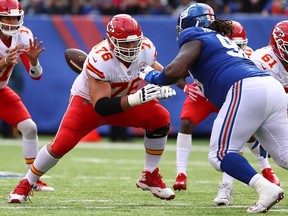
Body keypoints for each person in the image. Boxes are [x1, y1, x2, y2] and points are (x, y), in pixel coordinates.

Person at [7, 14, 176, 203]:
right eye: (125, 44)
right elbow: (102, 106)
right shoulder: (100, 57)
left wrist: (171, 83)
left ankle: (150, 175)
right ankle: (26, 184)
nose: (130, 48)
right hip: (89, 103)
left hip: (124, 99)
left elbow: (156, 69)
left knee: (160, 117)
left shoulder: (145, 47)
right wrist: (138, 97)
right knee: (60, 146)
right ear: (111, 41)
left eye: (134, 42)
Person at [139, 3, 288, 213]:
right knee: (284, 155)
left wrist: (150, 75)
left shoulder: (195, 34)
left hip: (245, 88)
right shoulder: (223, 40)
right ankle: (263, 186)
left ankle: (264, 188)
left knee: (219, 154)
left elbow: (174, 71)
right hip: (271, 87)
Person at [173, 19, 281, 206]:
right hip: (207, 92)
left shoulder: (250, 56)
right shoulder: (204, 43)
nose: (236, 48)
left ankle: (243, 180)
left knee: (224, 149)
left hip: (233, 90)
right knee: (190, 124)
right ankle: (181, 172)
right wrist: (184, 87)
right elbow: (177, 71)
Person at [0, 0, 54, 191]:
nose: (12, 22)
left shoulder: (22, 35)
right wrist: (5, 61)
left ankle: (32, 180)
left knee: (29, 128)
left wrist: (33, 61)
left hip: (1, 91)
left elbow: (37, 76)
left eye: (15, 18)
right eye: (7, 17)